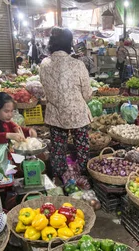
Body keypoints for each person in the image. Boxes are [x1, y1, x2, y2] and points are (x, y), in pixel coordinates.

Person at [40, 27, 92, 178]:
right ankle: (84, 178)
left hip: (55, 114)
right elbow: (87, 94)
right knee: (82, 149)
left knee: (57, 150)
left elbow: (45, 88)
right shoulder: (77, 64)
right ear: (69, 44)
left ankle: (59, 179)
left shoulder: (44, 64)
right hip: (77, 115)